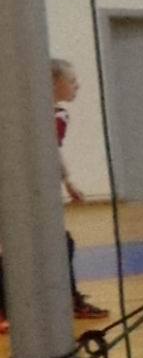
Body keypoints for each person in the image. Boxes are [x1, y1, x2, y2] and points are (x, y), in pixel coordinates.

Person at [0, 60, 112, 336]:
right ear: (51, 83)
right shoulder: (24, 113)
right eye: (71, 81)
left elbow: (51, 151)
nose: (77, 86)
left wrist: (67, 180)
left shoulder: (56, 116)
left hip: (28, 193)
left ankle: (69, 299)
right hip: (11, 190)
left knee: (62, 241)